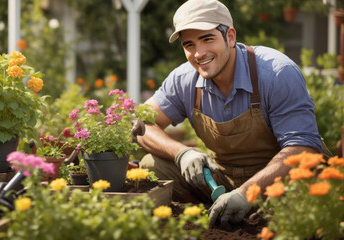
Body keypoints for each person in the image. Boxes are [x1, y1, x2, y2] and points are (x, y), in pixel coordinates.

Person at [136, 0, 323, 226]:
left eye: (207, 39)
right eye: (189, 45)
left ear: (230, 37)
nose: (199, 53)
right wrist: (181, 152)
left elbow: (303, 146)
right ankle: (202, 217)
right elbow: (142, 125)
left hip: (280, 181)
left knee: (306, 198)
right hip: (224, 179)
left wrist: (246, 192)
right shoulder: (184, 79)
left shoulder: (276, 73)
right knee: (152, 165)